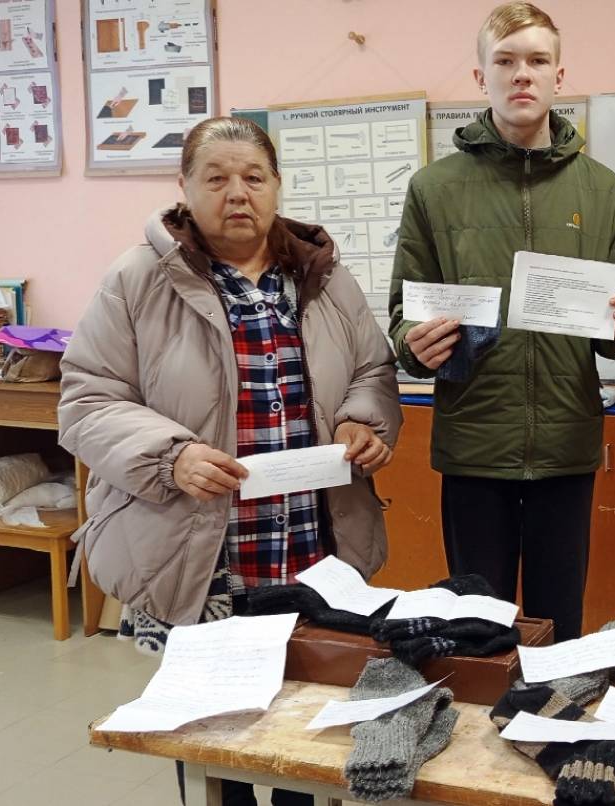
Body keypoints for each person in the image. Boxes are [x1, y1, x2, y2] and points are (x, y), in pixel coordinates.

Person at [59, 116, 401, 806]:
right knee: (217, 741)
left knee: (307, 732)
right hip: (198, 555)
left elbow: (373, 369)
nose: (237, 193)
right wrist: (171, 456)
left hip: (312, 548)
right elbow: (87, 401)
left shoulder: (323, 277)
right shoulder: (137, 279)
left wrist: (361, 421)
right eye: (215, 178)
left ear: (277, 186)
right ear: (184, 187)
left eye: (253, 177)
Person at [387, 2, 615, 642]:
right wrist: (414, 346)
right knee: (478, 626)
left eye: (537, 60)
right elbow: (403, 317)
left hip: (566, 442)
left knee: (560, 624)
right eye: (505, 61)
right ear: (482, 78)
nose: (521, 74)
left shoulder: (602, 189)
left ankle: (556, 708)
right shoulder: (434, 189)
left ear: (560, 75)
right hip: (474, 444)